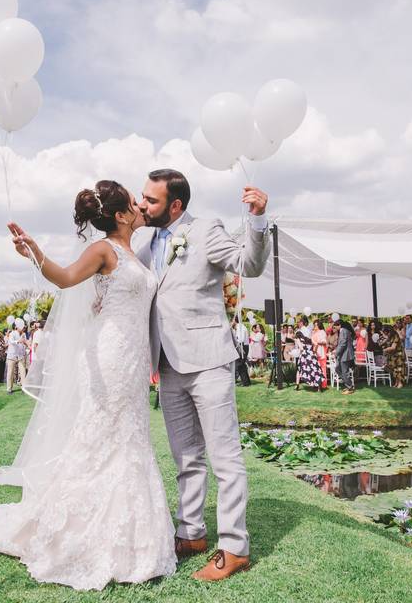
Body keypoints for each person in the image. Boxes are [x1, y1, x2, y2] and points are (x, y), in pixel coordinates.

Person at [0, 178, 177, 590]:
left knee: (130, 438)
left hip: (134, 359)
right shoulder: (102, 250)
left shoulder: (135, 254)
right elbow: (67, 278)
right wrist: (35, 253)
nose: (141, 206)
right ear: (121, 215)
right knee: (100, 437)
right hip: (107, 357)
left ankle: (133, 537)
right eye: (133, 203)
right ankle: (73, 531)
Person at [133, 169, 269, 580]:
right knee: (185, 456)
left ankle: (235, 547)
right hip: (168, 365)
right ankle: (190, 532)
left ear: (175, 205)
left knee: (225, 459)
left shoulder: (206, 229)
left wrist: (258, 220)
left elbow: (249, 264)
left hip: (209, 360)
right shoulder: (144, 242)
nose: (143, 205)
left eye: (151, 201)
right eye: (142, 197)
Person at [5, 325, 29, 394]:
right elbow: (12, 342)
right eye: (21, 327)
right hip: (12, 356)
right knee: (10, 373)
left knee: (23, 372)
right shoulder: (12, 333)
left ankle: (24, 388)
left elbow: (24, 343)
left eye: (23, 327)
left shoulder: (24, 334)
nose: (23, 328)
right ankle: (9, 389)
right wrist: (19, 341)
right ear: (17, 327)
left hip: (21, 355)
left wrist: (26, 346)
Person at [334, 318, 355, 394]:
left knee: (344, 371)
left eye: (335, 326)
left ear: (339, 325)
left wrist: (336, 353)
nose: (335, 328)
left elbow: (343, 344)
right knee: (338, 369)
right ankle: (348, 385)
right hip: (344, 354)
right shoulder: (345, 331)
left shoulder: (343, 331)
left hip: (345, 355)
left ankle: (350, 388)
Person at [230, 317, 250, 386]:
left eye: (230, 321)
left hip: (242, 346)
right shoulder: (238, 327)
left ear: (234, 321)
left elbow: (240, 339)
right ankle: (246, 382)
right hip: (242, 346)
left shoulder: (240, 327)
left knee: (239, 365)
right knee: (242, 365)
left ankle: (245, 382)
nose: (230, 324)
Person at [311, 319, 329, 389]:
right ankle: (315, 383)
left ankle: (323, 384)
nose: (315, 326)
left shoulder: (322, 332)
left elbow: (325, 342)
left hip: (321, 351)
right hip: (314, 351)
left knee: (322, 368)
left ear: (319, 325)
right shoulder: (313, 332)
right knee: (315, 368)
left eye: (316, 325)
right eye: (314, 325)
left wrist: (318, 342)